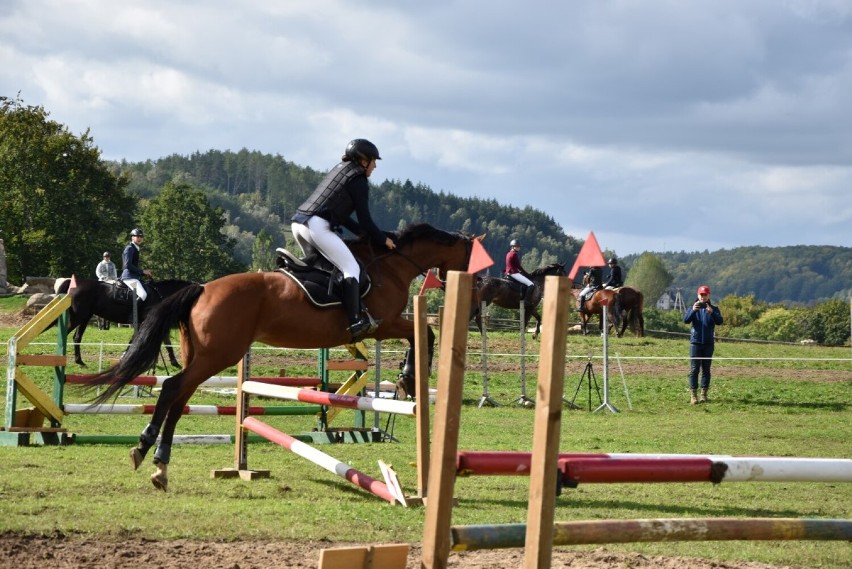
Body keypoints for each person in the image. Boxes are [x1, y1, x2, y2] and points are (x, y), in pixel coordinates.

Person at [290, 138, 396, 340]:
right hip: (316, 227)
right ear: (363, 161)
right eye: (373, 160)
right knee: (351, 268)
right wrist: (383, 240)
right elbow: (365, 219)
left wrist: (360, 233)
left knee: (327, 269)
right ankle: (355, 321)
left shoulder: (340, 170)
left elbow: (344, 216)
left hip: (299, 224)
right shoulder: (359, 181)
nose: (375, 165)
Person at [683, 284, 723, 404]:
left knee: (706, 369)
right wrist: (693, 311)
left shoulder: (714, 309)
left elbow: (720, 321)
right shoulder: (693, 307)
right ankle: (693, 395)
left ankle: (704, 394)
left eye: (705, 295)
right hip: (695, 343)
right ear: (698, 295)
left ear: (708, 295)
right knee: (694, 369)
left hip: (708, 343)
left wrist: (712, 313)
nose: (703, 297)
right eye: (701, 295)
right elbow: (686, 320)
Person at [120, 228, 153, 301]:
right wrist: (142, 271)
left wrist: (144, 274)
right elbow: (127, 265)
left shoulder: (135, 248)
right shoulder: (130, 248)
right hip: (129, 277)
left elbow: (134, 267)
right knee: (143, 295)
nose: (140, 238)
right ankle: (133, 312)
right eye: (137, 236)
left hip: (134, 276)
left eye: (141, 237)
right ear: (132, 237)